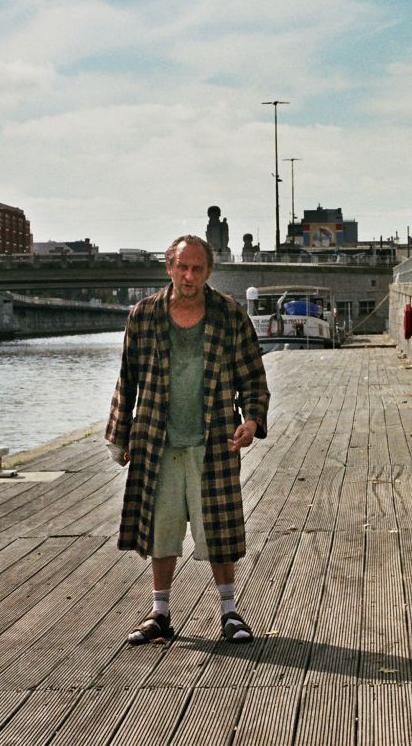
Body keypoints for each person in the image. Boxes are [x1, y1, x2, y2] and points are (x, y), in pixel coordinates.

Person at [107, 234, 270, 645]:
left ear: (208, 271)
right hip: (155, 441)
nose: (189, 275)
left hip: (213, 440)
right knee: (161, 531)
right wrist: (119, 435)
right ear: (169, 268)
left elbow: (253, 378)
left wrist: (251, 421)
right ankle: (159, 614)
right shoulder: (142, 316)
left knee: (217, 528)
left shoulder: (230, 316)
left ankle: (230, 612)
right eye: (182, 267)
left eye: (197, 268)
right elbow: (127, 380)